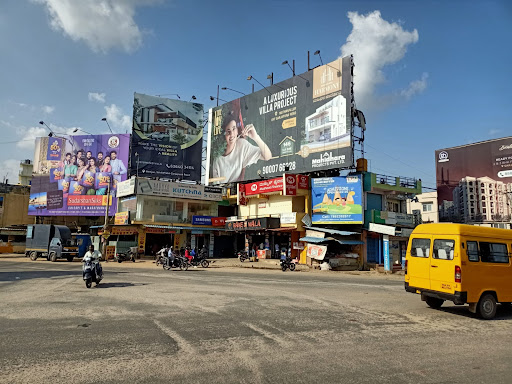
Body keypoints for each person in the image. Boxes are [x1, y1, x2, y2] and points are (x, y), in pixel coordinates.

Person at [212, 115, 272, 183]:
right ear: (224, 135)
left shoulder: (242, 145)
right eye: (228, 131)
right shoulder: (217, 160)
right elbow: (216, 187)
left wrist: (256, 137)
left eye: (234, 129)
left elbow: (268, 156)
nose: (231, 134)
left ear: (237, 131)